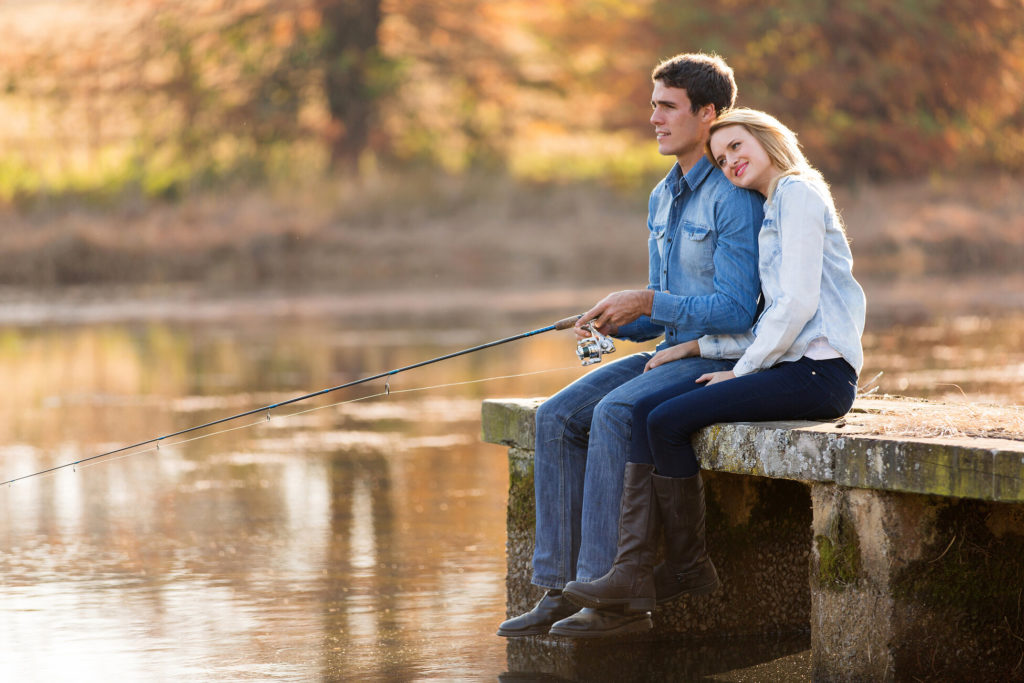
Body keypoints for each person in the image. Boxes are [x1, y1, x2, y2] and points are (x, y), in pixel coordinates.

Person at [558, 107, 867, 635]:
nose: (730, 162)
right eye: (721, 158)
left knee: (666, 420)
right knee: (654, 413)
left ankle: (684, 567)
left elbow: (795, 306)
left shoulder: (796, 194)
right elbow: (768, 317)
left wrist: (740, 372)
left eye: (738, 147)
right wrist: (694, 347)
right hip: (797, 368)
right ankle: (654, 568)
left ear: (770, 139)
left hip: (821, 373)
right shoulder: (772, 206)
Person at [497, 54, 765, 639]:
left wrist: (646, 301)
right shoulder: (661, 197)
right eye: (653, 105)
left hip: (720, 354)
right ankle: (559, 591)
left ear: (707, 113)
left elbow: (739, 308)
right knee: (556, 416)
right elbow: (663, 306)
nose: (654, 118)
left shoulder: (734, 194)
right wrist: (614, 321)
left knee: (617, 413)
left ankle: (612, 597)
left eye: (667, 106)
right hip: (669, 348)